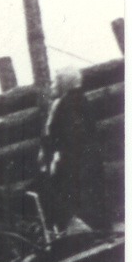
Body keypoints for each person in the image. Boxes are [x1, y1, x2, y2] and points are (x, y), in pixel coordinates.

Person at [40, 69, 111, 234]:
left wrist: (57, 153)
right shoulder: (74, 100)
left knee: (76, 193)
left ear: (65, 83)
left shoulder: (69, 103)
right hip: (84, 157)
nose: (52, 86)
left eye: (55, 82)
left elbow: (69, 133)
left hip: (76, 159)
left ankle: (86, 232)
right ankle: (96, 229)